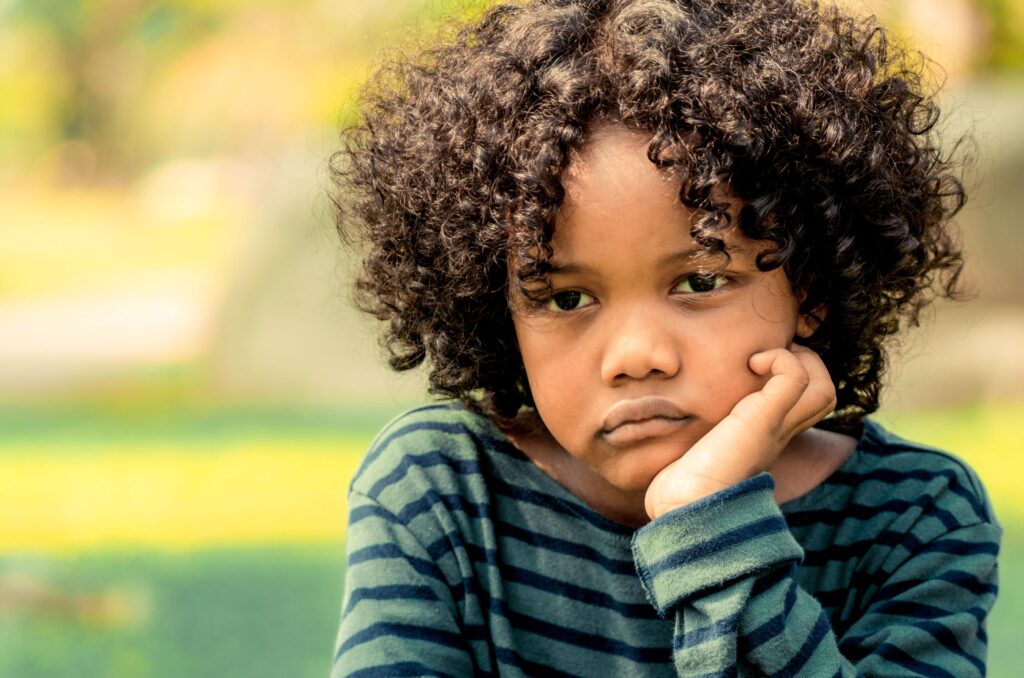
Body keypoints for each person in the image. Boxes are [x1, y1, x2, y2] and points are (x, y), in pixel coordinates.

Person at [329, 0, 1001, 675]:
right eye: (567, 298)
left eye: (700, 283)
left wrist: (710, 522)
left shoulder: (915, 517)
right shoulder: (441, 491)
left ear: (812, 289)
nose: (635, 357)